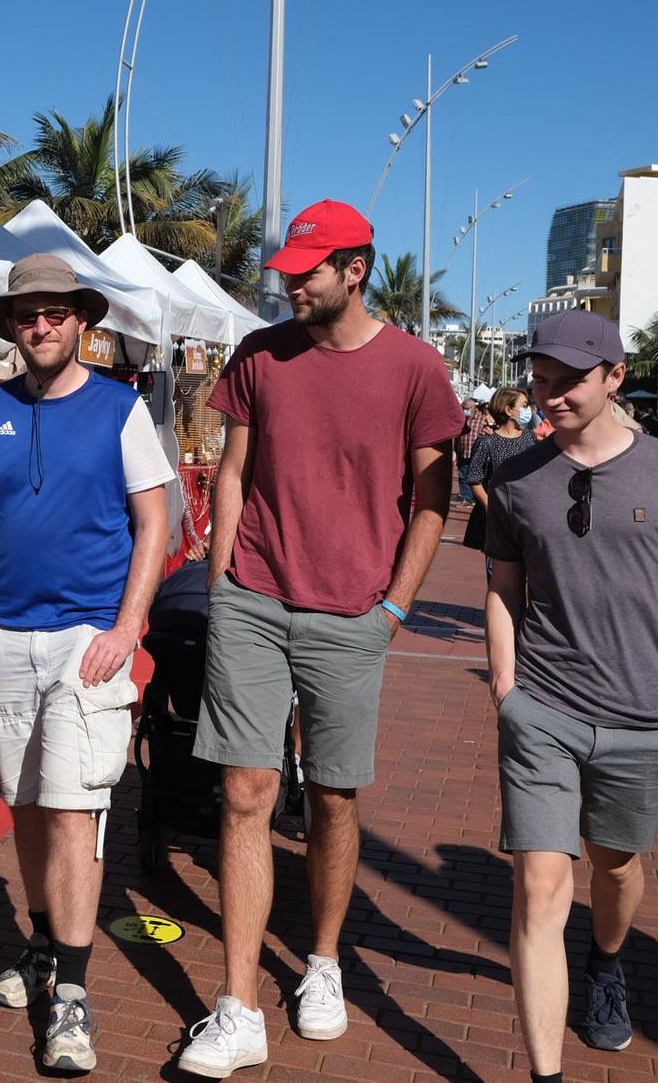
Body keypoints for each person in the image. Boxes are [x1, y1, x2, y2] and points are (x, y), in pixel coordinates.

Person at [178, 201, 462, 1078]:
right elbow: (232, 474)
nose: (292, 282)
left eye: (310, 269)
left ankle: (325, 965)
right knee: (246, 793)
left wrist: (396, 609)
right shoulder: (259, 357)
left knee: (333, 798)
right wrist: (223, 582)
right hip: (255, 598)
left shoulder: (417, 368)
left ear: (357, 269)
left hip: (354, 615)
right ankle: (238, 1007)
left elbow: (431, 503)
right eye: (289, 270)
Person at [0, 253, 173, 1075]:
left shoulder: (121, 408)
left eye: (52, 313)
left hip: (87, 639)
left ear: (81, 320)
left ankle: (72, 996)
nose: (37, 327)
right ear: (10, 326)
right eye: (24, 315)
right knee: (27, 803)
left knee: (75, 809)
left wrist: (127, 626)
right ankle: (43, 943)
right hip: (4, 636)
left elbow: (154, 524)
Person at [482, 310, 658, 1081]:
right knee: (541, 886)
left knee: (615, 868)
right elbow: (502, 589)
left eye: (568, 382)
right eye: (540, 381)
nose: (549, 397)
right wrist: (508, 689)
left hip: (643, 716)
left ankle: (607, 962)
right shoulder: (514, 478)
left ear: (615, 377)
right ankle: (545, 1073)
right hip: (542, 709)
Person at [463, 386, 537, 549]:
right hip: (498, 521)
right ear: (509, 410)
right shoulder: (486, 442)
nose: (528, 410)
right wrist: (493, 509)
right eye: (523, 405)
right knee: (497, 569)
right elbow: (475, 480)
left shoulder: (530, 439)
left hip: (526, 516)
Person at [457, 386, 495, 505]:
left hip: (477, 453)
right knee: (463, 476)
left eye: (467, 408)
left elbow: (491, 431)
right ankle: (467, 499)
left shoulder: (483, 418)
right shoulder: (462, 419)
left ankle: (477, 498)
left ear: (474, 408)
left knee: (477, 478)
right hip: (463, 451)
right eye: (463, 408)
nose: (465, 410)